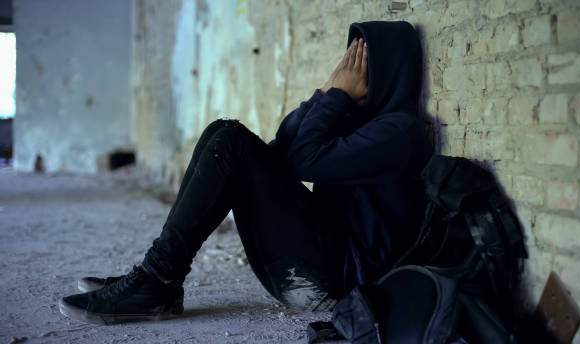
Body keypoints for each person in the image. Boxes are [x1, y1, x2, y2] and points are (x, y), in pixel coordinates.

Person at [59, 21, 433, 325]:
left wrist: (335, 99)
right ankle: (158, 276)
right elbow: (280, 153)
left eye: (361, 64)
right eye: (348, 62)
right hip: (312, 266)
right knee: (222, 133)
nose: (349, 73)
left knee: (233, 143)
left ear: (389, 72)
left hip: (337, 283)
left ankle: (157, 280)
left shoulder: (400, 133)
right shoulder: (361, 122)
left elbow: (303, 161)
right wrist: (323, 94)